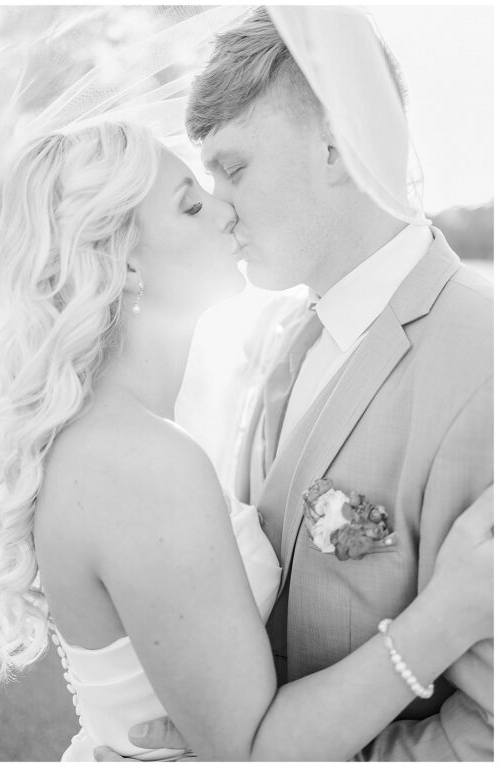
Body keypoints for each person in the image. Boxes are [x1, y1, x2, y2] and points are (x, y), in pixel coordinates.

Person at [0, 119, 493, 761]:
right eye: (192, 204)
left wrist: (216, 723)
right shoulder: (136, 462)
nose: (226, 211)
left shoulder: (124, 435)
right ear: (123, 260)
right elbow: (251, 753)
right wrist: (446, 616)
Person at [96, 8, 493, 761]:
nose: (218, 205)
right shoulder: (281, 337)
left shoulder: (484, 363)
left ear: (337, 145)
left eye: (234, 167)